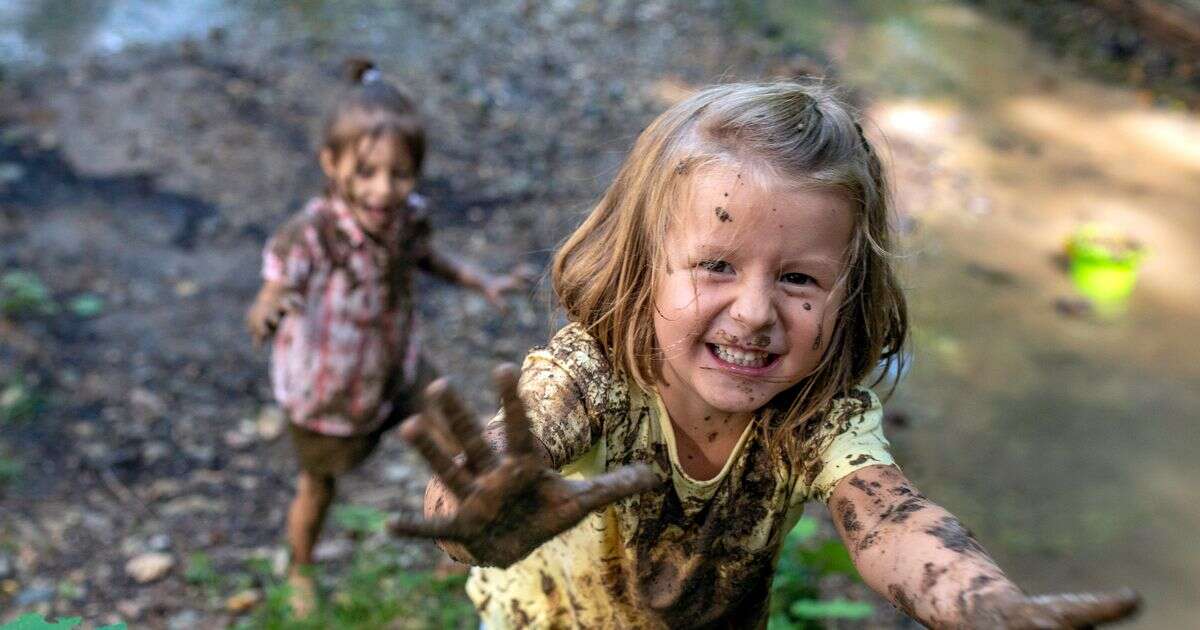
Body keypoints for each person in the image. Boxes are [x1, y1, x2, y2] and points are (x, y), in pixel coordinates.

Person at [389, 82, 1140, 628]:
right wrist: (475, 515)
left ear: (850, 291)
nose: (755, 313)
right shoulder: (594, 375)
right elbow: (485, 476)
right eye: (717, 265)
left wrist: (983, 605)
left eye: (798, 279)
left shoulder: (814, 418)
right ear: (644, 265)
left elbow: (892, 521)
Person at [246, 59, 527, 617]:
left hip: (398, 365)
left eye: (399, 175)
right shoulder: (314, 233)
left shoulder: (407, 217)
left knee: (456, 442)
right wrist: (269, 310)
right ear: (331, 164)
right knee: (319, 485)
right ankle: (301, 566)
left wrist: (480, 280)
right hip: (329, 390)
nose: (383, 190)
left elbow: (424, 257)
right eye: (367, 172)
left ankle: (463, 539)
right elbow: (272, 287)